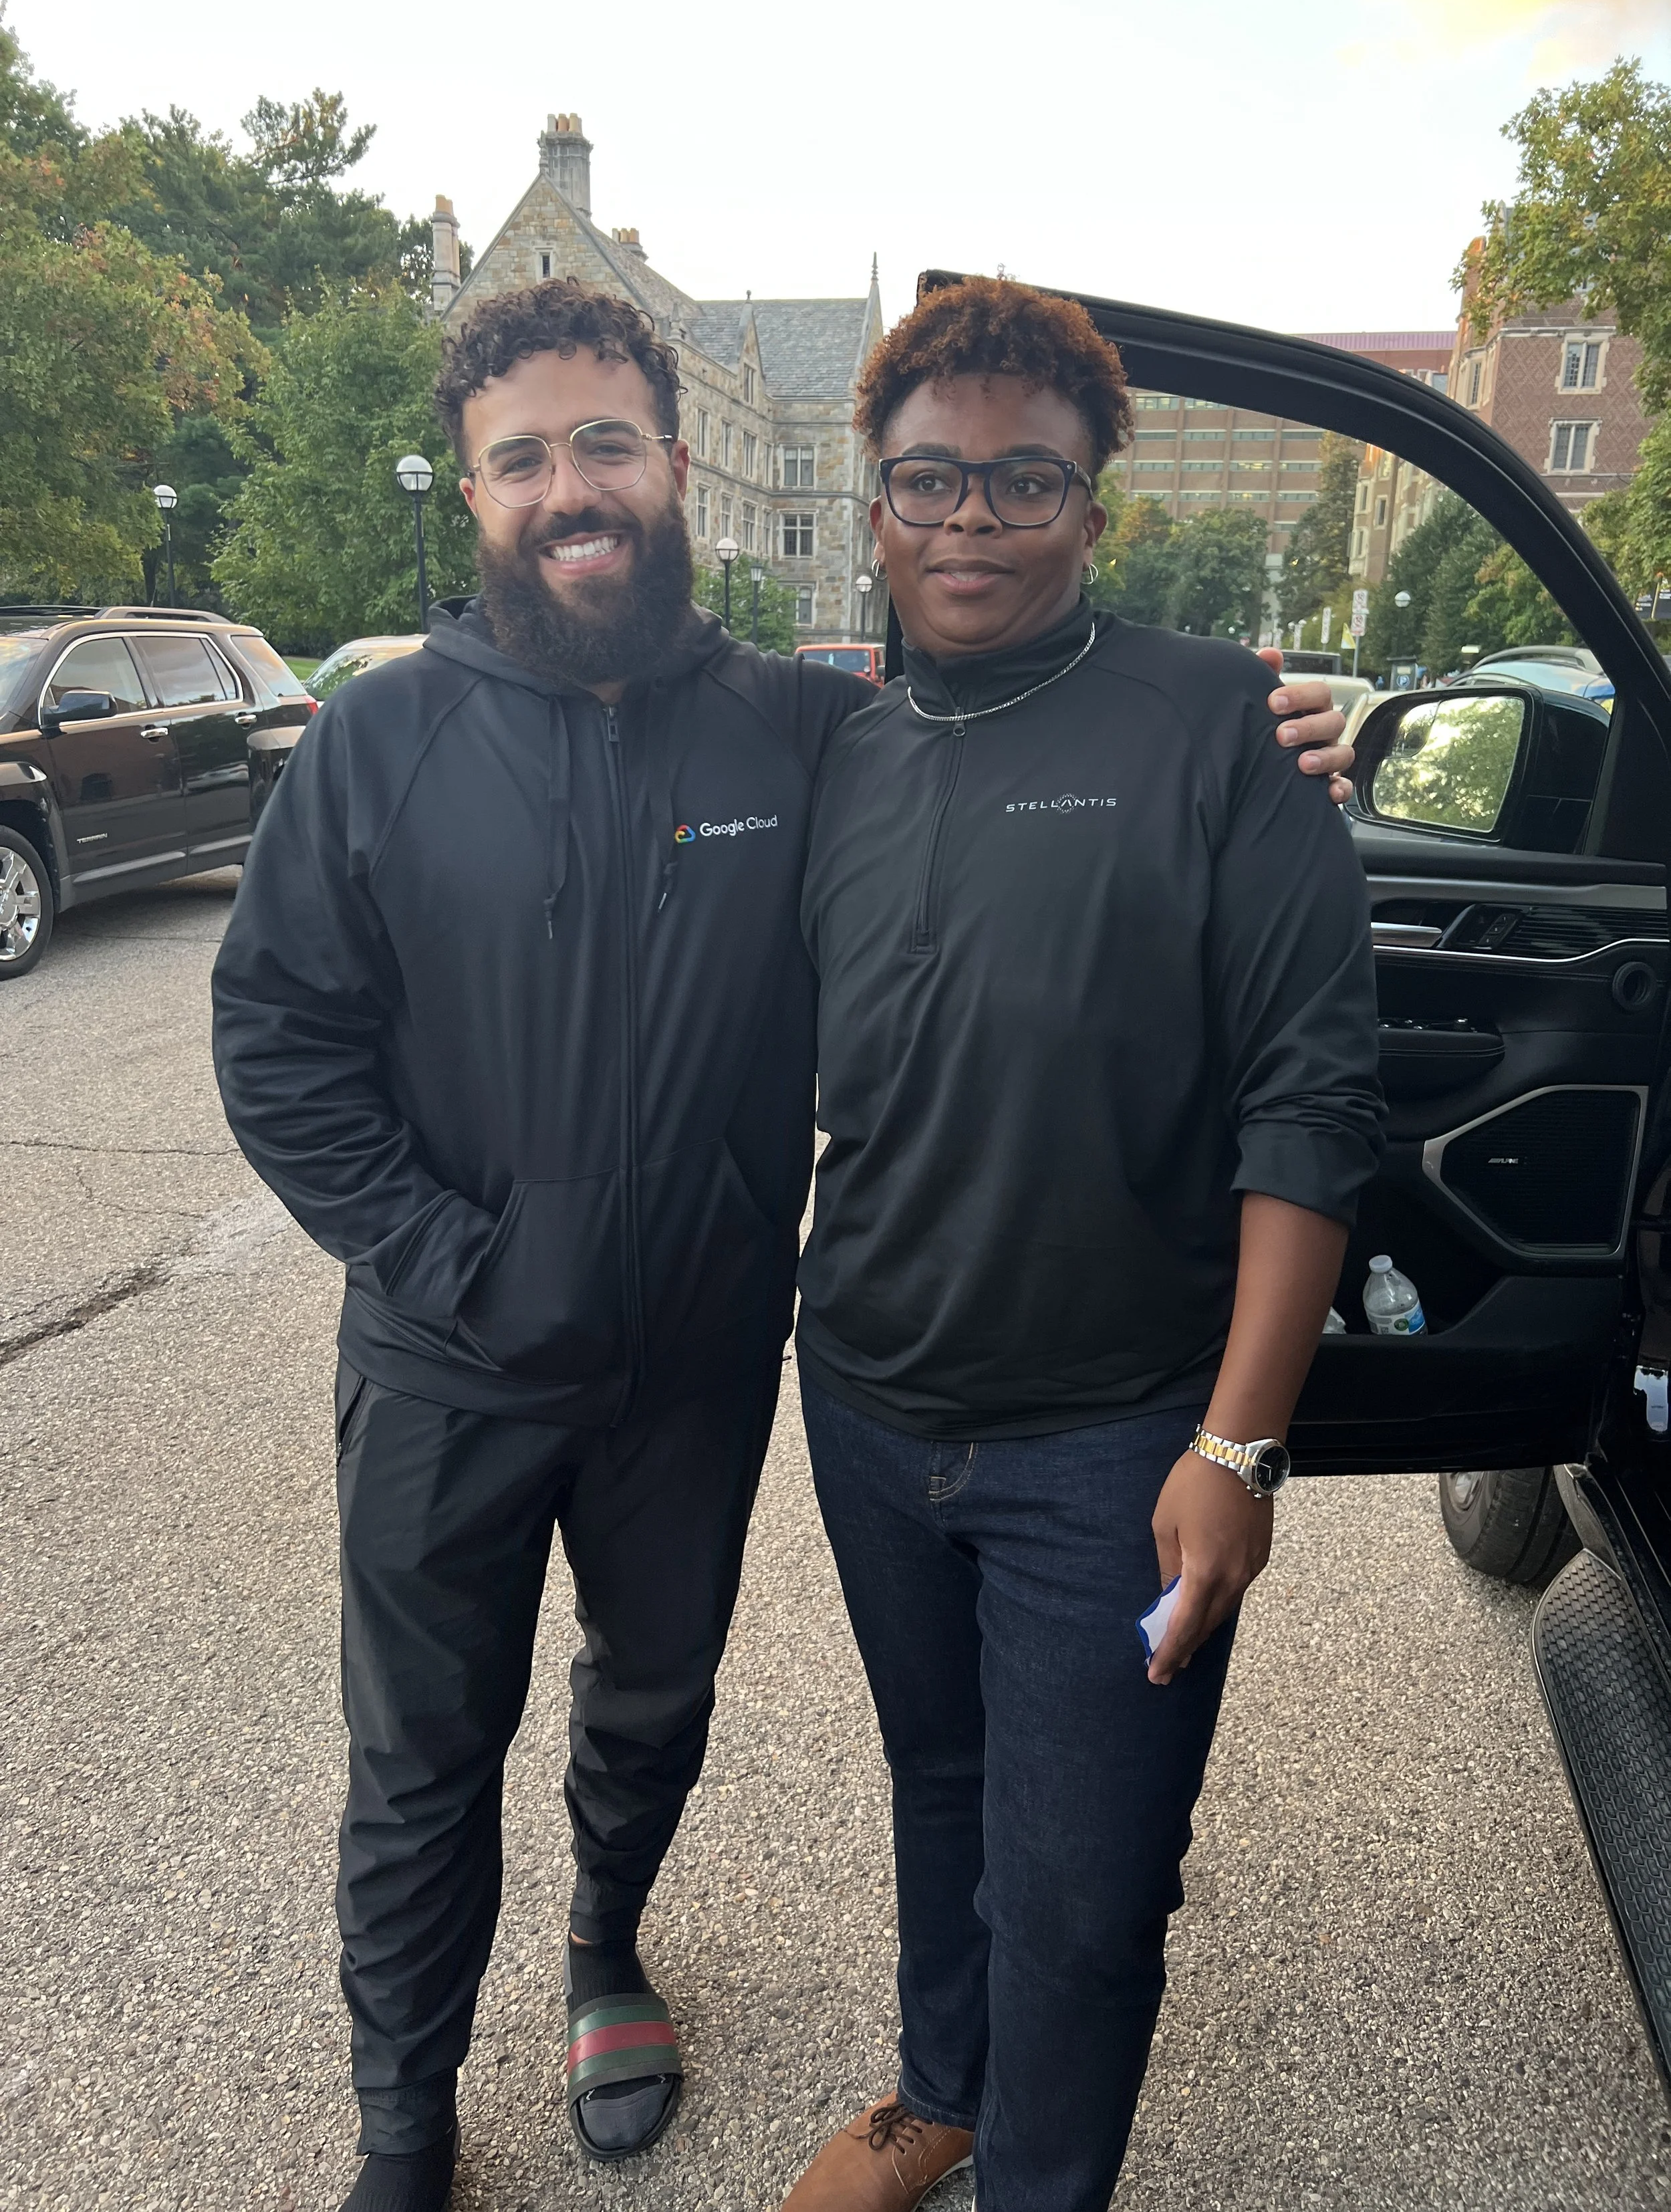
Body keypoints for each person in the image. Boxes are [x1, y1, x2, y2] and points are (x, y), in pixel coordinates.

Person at [209, 276, 1359, 2212]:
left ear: (676, 465)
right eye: (518, 459)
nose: (565, 487)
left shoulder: (804, 730)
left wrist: (1295, 727)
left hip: (716, 1366)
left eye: (602, 444)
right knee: (422, 1766)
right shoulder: (384, 734)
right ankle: (404, 2126)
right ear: (480, 494)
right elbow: (277, 1044)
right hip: (463, 1360)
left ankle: (606, 1955)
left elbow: (1039, 776)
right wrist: (457, 1261)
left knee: (661, 1706)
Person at [782, 278, 1385, 2212]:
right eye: (928, 480)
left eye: (1022, 482)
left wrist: (1236, 1443)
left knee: (1084, 1881)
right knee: (939, 1787)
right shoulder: (838, 753)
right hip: (869, 1398)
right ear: (870, 500)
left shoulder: (1223, 724)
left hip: (1111, 1440)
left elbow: (1312, 1092)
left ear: (1093, 506)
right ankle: (941, 2091)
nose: (969, 520)